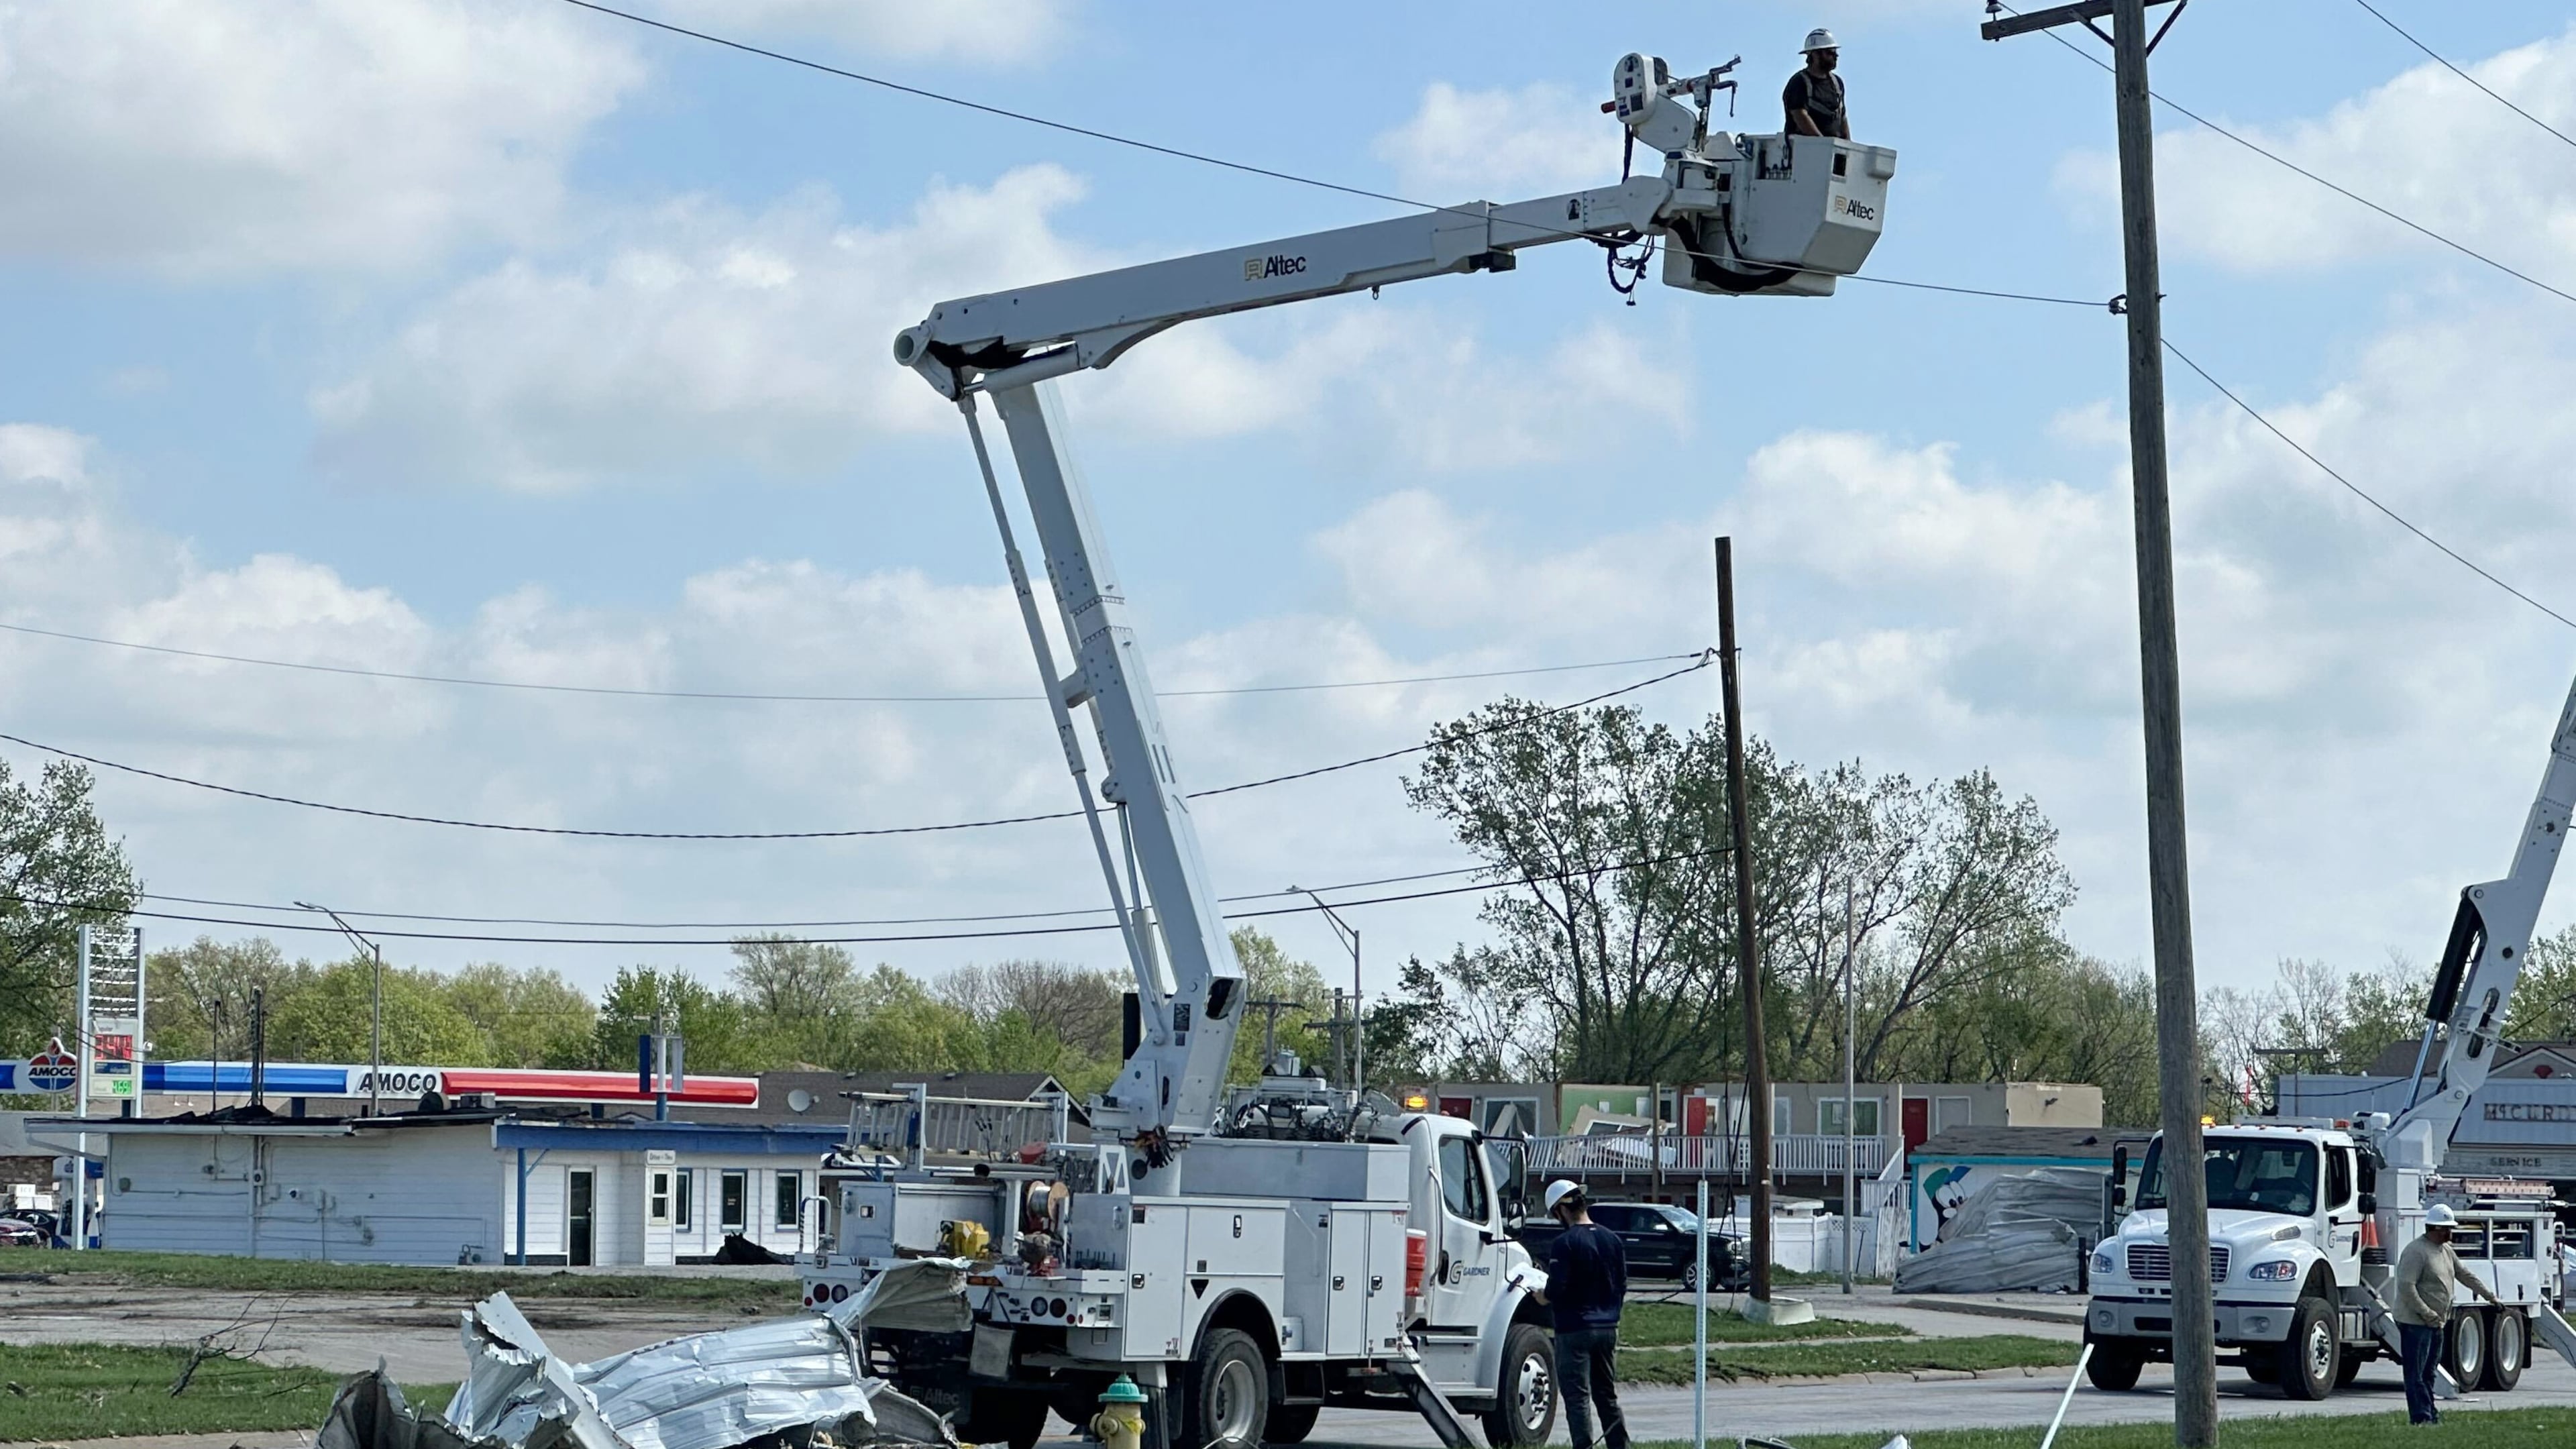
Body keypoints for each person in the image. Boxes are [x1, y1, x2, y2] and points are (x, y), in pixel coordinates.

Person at [1525, 1179, 1629, 1449]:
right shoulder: (1613, 1240)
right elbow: (1622, 1284)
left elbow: (1557, 1288)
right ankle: (1620, 1445)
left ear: (1561, 1210)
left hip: (1575, 1329)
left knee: (1578, 1397)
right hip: (1608, 1327)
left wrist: (1542, 1296)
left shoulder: (1565, 1243)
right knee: (1606, 1395)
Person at [2394, 1203, 2502, 1425]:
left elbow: (2464, 1275)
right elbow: (2407, 1287)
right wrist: (2426, 1312)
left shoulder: (2446, 1251)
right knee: (2416, 1374)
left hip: (2436, 1323)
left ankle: (2430, 1414)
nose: (2450, 1232)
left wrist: (2491, 1297)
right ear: (2434, 1228)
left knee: (2429, 1373)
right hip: (2416, 1323)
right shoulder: (2416, 1251)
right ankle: (2420, 1418)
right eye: (2446, 1228)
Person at [1784, 28, 1850, 140]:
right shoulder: (1799, 82)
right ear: (1815, 54)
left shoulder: (1837, 84)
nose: (1836, 56)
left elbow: (1842, 118)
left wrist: (1848, 147)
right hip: (1806, 151)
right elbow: (1800, 115)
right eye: (1830, 52)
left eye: (1835, 52)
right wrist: (1822, 144)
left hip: (1832, 152)